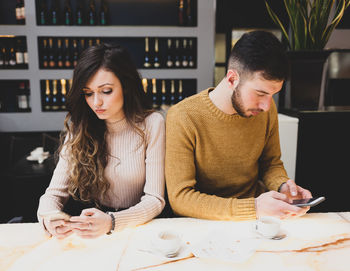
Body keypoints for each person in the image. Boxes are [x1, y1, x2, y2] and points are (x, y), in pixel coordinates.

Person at [165, 30, 312, 221]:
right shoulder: (183, 116)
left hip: (257, 222)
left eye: (272, 94)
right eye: (260, 94)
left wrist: (283, 186)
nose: (266, 106)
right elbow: (180, 199)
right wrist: (254, 207)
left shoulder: (266, 110)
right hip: (204, 224)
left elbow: (270, 164)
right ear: (232, 79)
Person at [37, 43, 165, 238]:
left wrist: (112, 222)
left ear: (126, 86)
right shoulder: (81, 127)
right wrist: (50, 217)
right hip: (91, 229)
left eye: (106, 91)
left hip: (138, 228)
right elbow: (52, 195)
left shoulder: (152, 123)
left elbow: (155, 199)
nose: (96, 102)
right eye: (88, 93)